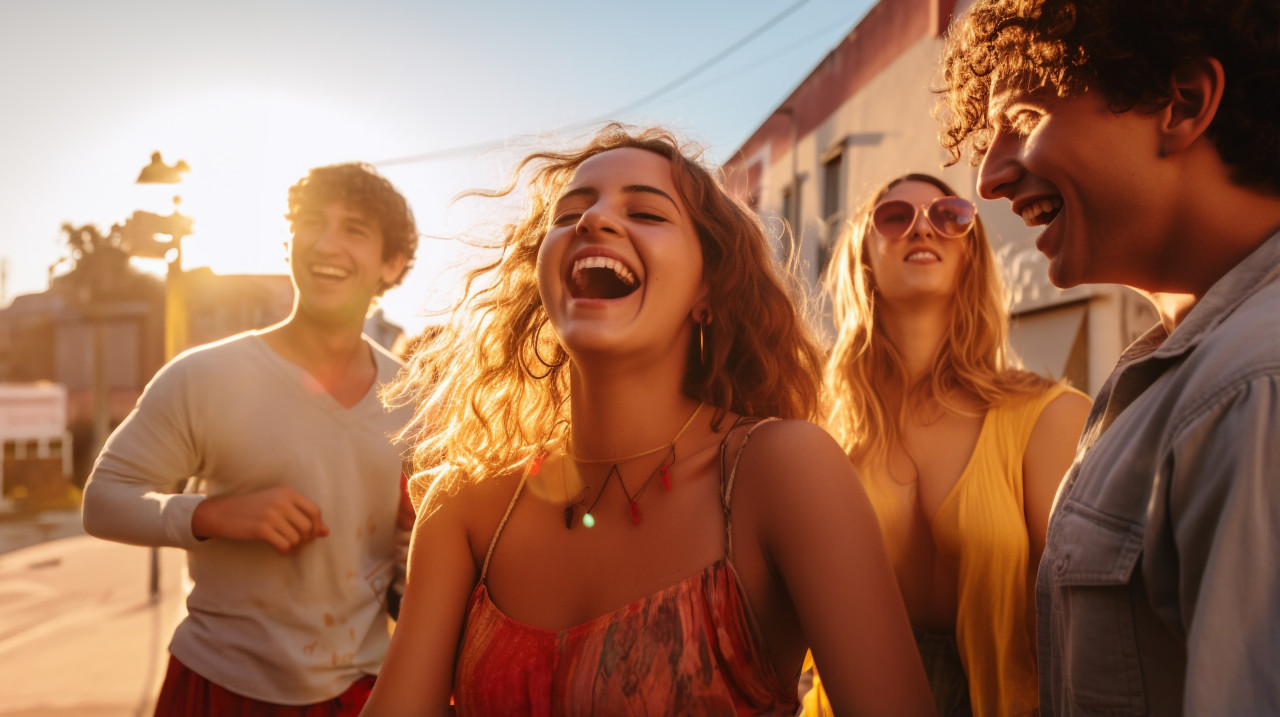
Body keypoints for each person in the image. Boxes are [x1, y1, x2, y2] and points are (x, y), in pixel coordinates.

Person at [361, 124, 934, 715]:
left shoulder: (782, 468)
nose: (594, 221)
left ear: (708, 288)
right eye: (570, 213)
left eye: (648, 214)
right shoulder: (465, 505)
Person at [939, 0, 1280, 713]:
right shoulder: (1189, 372)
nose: (990, 180)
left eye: (1026, 120)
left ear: (1181, 104)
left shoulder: (1254, 388)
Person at [82, 162, 420, 716]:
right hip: (217, 687)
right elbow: (103, 502)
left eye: (354, 229)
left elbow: (416, 560)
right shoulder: (205, 376)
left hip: (361, 690)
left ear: (392, 264)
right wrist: (212, 515)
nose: (325, 243)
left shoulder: (418, 398)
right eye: (312, 222)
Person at [802, 173, 1089, 716]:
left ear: (970, 254)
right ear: (863, 257)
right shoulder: (818, 432)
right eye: (894, 216)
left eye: (949, 215)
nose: (922, 228)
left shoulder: (1048, 419)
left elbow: (1085, 628)